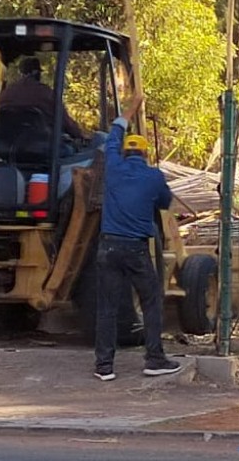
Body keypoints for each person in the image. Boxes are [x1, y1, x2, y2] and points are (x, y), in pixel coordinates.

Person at [93, 93, 180, 381]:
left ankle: (104, 366)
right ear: (144, 154)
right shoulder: (154, 176)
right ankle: (154, 358)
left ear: (125, 152)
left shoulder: (112, 167)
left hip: (107, 246)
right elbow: (166, 203)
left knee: (106, 306)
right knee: (151, 300)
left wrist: (129, 111)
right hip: (135, 249)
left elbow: (113, 137)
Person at [0, 56, 84, 142]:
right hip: (41, 148)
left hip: (6, 147)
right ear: (36, 72)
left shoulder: (6, 94)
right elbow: (64, 120)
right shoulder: (46, 93)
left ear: (21, 73)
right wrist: (79, 135)